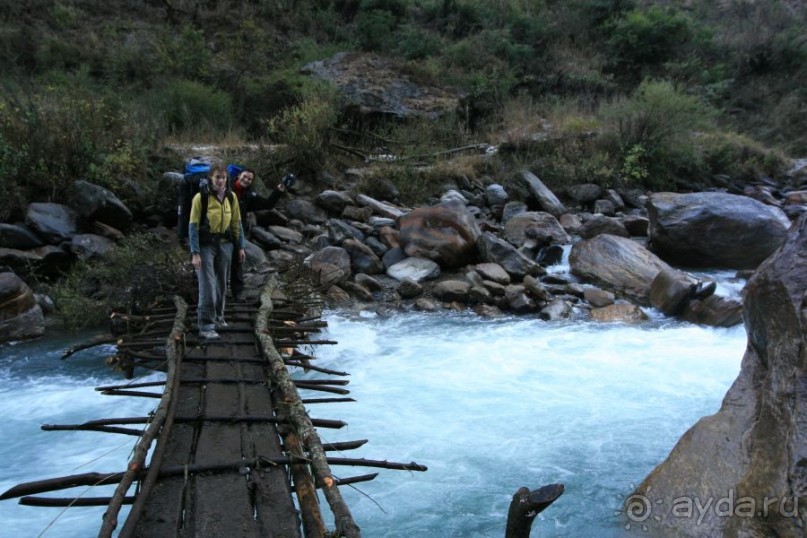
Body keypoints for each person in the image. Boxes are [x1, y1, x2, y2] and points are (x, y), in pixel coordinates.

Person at [189, 161, 243, 339]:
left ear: (227, 179)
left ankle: (219, 318)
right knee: (208, 286)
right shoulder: (201, 198)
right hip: (206, 245)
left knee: (221, 285)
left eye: (223, 178)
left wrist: (240, 246)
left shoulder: (231, 197)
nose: (221, 181)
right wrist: (195, 252)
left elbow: (237, 223)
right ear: (211, 178)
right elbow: (193, 226)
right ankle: (206, 326)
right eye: (217, 177)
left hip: (225, 244)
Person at [228, 167, 289, 301]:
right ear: (239, 175)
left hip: (238, 231)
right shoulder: (226, 188)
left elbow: (267, 204)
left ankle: (238, 293)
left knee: (237, 261)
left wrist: (278, 191)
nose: (246, 180)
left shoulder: (249, 195)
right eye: (244, 176)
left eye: (249, 179)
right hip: (221, 230)